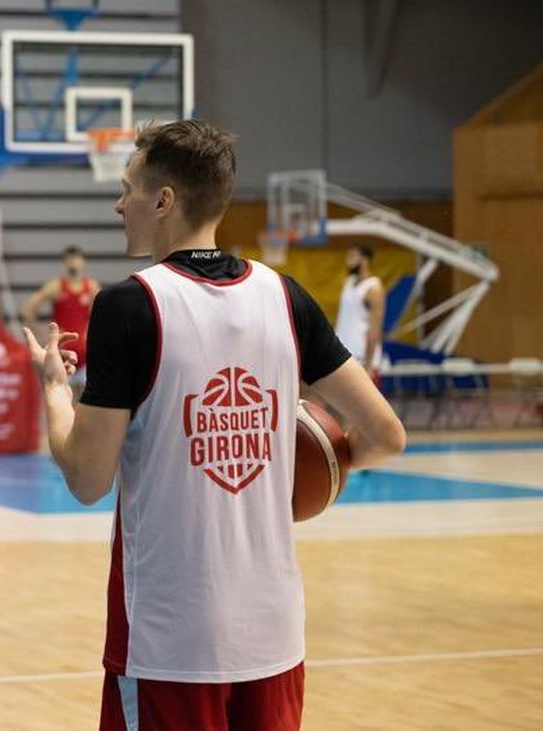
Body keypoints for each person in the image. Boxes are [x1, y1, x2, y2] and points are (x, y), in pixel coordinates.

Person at [23, 120, 407, 730]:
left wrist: (53, 390)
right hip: (274, 633)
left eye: (128, 189)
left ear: (164, 200)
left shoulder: (130, 305)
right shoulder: (286, 296)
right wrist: (322, 466)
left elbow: (87, 479)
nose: (120, 203)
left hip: (170, 641)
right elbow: (387, 434)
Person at [21, 245, 100, 380]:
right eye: (70, 259)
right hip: (62, 350)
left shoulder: (91, 286)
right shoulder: (56, 285)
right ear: (65, 262)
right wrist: (39, 332)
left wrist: (93, 332)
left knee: (85, 397)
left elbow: (104, 314)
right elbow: (28, 310)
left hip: (84, 350)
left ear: (83, 261)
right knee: (62, 392)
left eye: (76, 259)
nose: (73, 262)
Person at [336, 244, 386, 377]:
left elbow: (375, 328)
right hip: (342, 355)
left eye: (352, 256)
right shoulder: (348, 282)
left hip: (362, 357)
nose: (348, 260)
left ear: (365, 260)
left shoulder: (373, 288)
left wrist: (369, 365)